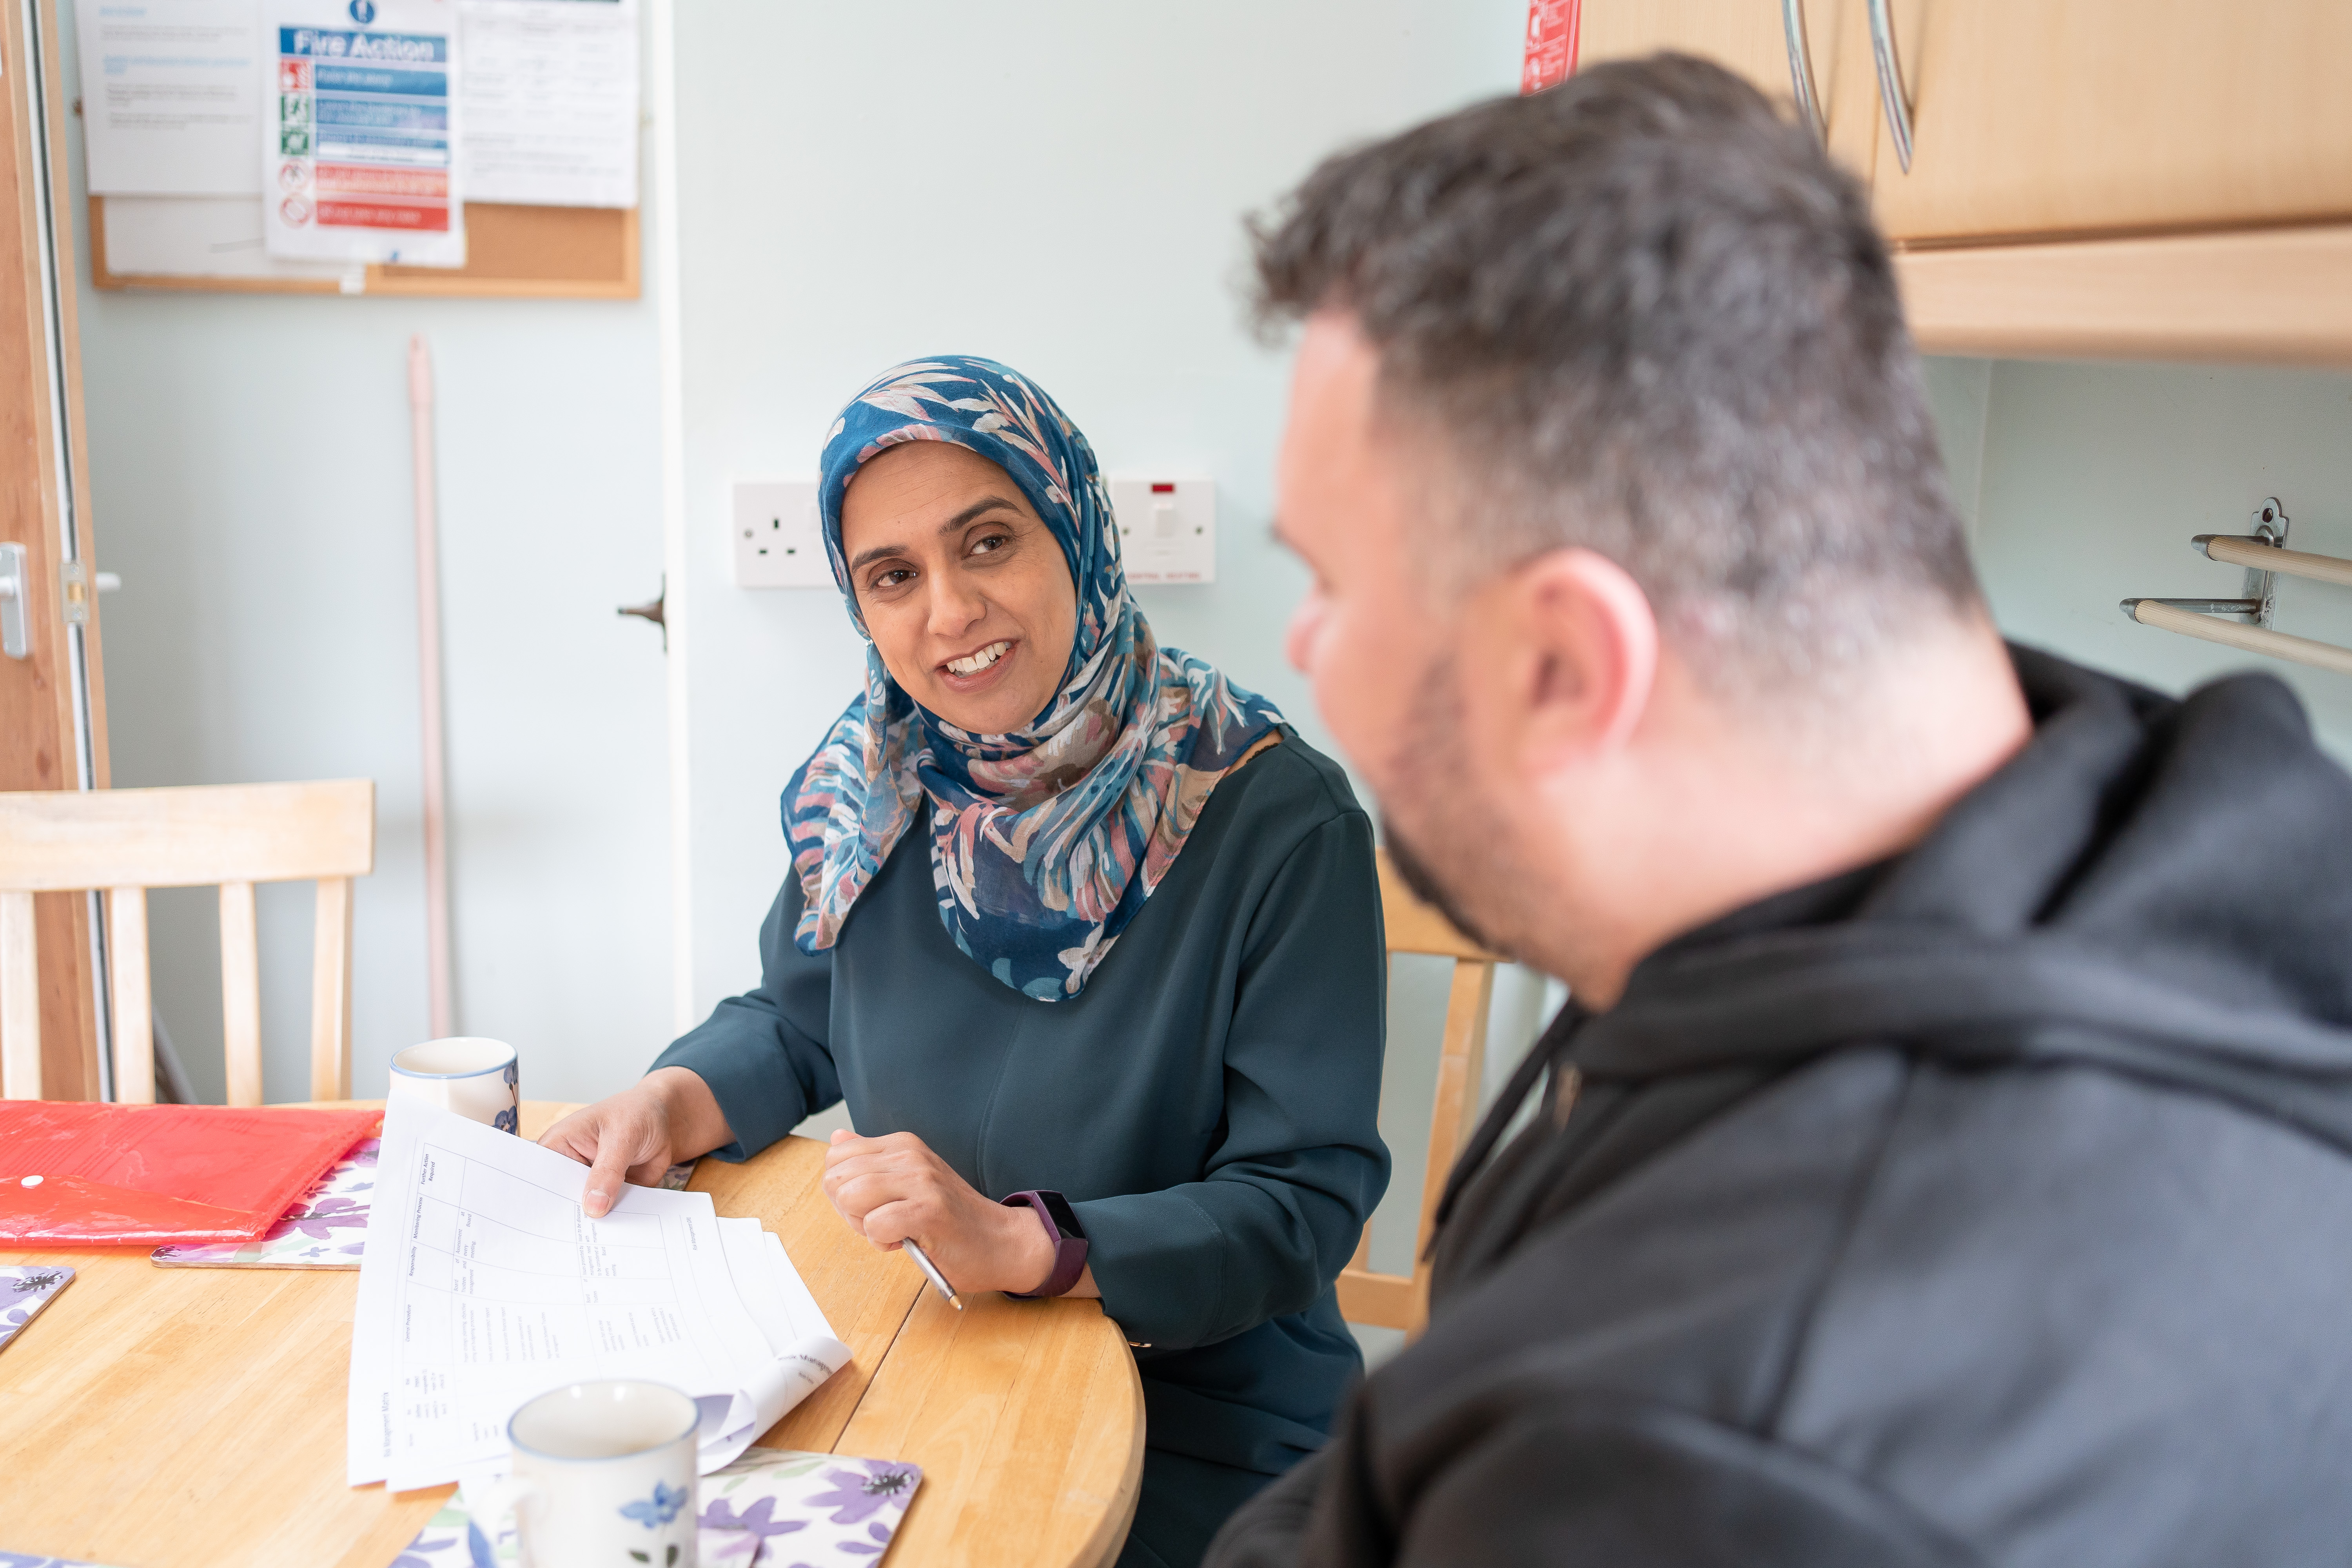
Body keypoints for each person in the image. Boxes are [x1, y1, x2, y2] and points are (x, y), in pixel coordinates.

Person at [1208, 53, 2352, 1568]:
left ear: (1563, 666)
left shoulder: (1716, 1449)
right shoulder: (2106, 815)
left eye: (1330, 585)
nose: (1301, 644)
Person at [543, 354, 1389, 1568]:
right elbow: (798, 1017)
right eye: (894, 577)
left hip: (1194, 1428)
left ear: (1074, 532)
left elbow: (1299, 1207)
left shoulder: (1275, 817)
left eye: (987, 543)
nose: (947, 613)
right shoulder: (878, 783)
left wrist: (1026, 1245)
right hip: (920, 1374)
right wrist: (667, 1102)